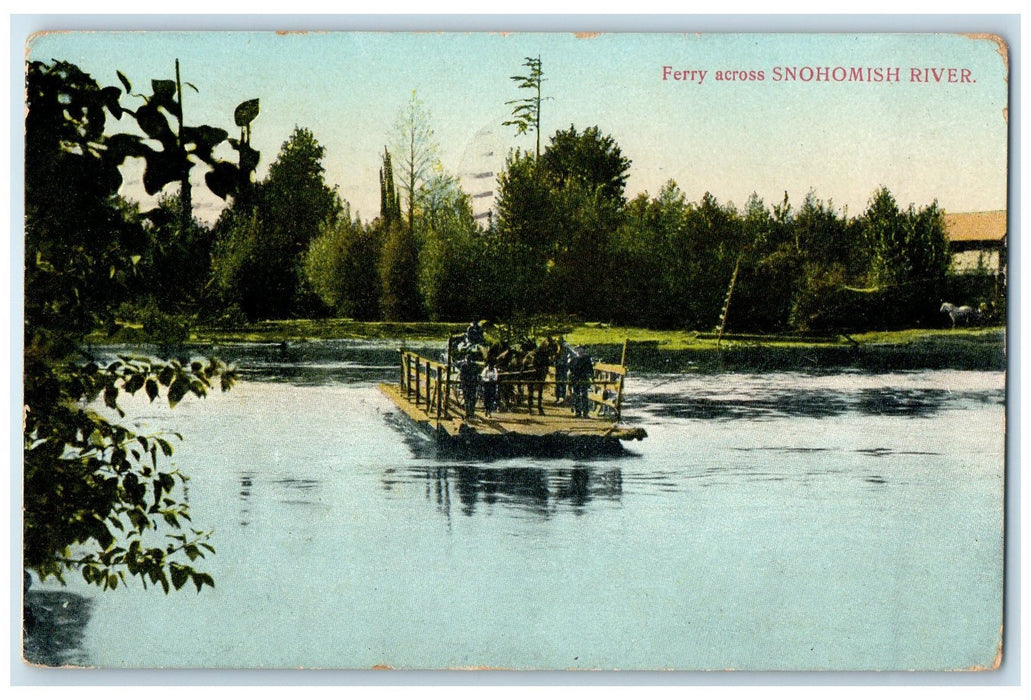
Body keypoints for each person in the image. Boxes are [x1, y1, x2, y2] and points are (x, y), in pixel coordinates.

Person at [568, 347, 594, 418]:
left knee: (584, 395)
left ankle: (585, 413)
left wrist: (592, 377)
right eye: (578, 349)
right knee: (576, 395)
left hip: (584, 379)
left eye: (581, 349)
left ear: (583, 350)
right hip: (575, 379)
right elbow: (570, 370)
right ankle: (578, 412)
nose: (579, 351)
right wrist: (571, 378)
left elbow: (590, 369)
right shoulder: (573, 359)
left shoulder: (586, 359)